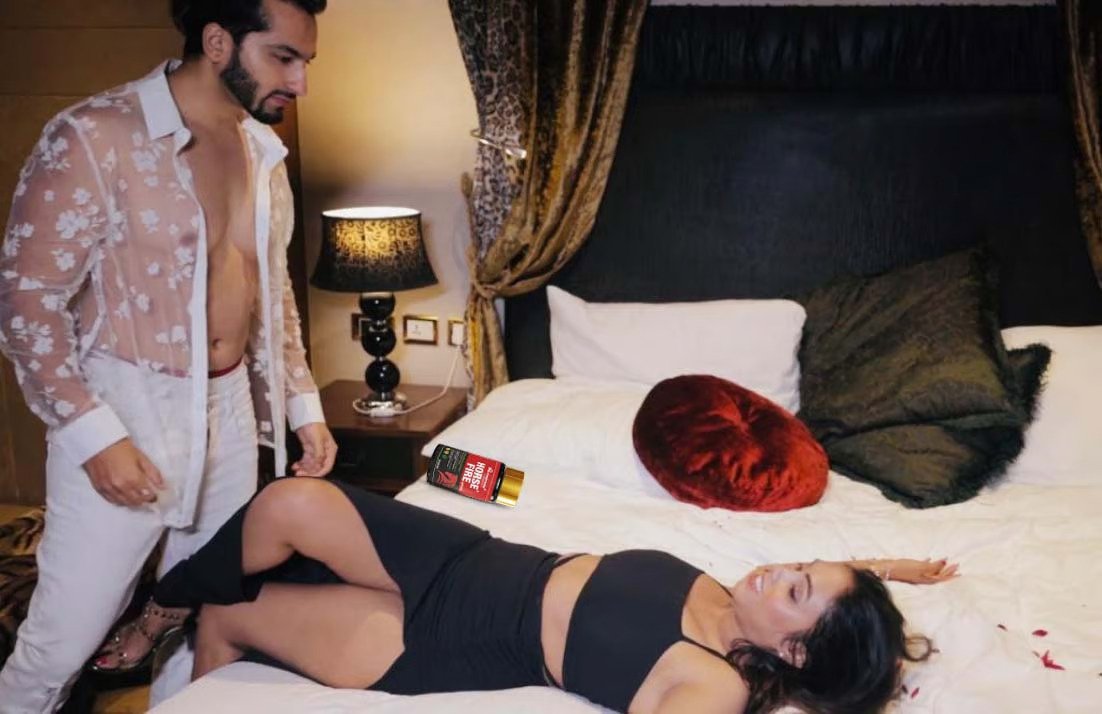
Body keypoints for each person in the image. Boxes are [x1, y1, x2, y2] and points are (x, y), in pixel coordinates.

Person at [0, 0, 337, 709]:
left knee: (199, 614)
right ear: (217, 42)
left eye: (306, 62)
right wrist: (93, 435)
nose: (301, 82)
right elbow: (27, 302)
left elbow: (270, 290)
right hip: (127, 408)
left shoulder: (261, 149)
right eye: (283, 57)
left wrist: (301, 403)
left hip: (230, 410)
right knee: (63, 637)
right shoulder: (96, 135)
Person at [101, 478, 955, 714]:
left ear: (795, 650)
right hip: (468, 551)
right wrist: (887, 568)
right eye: (797, 564)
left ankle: (194, 655)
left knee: (234, 609)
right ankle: (161, 609)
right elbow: (812, 578)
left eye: (796, 588)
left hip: (437, 638)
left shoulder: (714, 682)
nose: (776, 570)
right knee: (289, 501)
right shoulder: (727, 592)